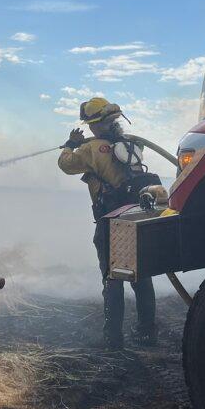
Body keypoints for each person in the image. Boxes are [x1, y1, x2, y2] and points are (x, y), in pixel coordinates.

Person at [58, 97, 157, 348]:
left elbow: (66, 165)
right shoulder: (130, 145)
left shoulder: (92, 149)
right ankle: (147, 332)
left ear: (99, 125)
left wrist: (70, 145)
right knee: (141, 276)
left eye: (91, 125)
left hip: (111, 220)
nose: (90, 129)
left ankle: (113, 338)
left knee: (113, 279)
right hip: (137, 215)